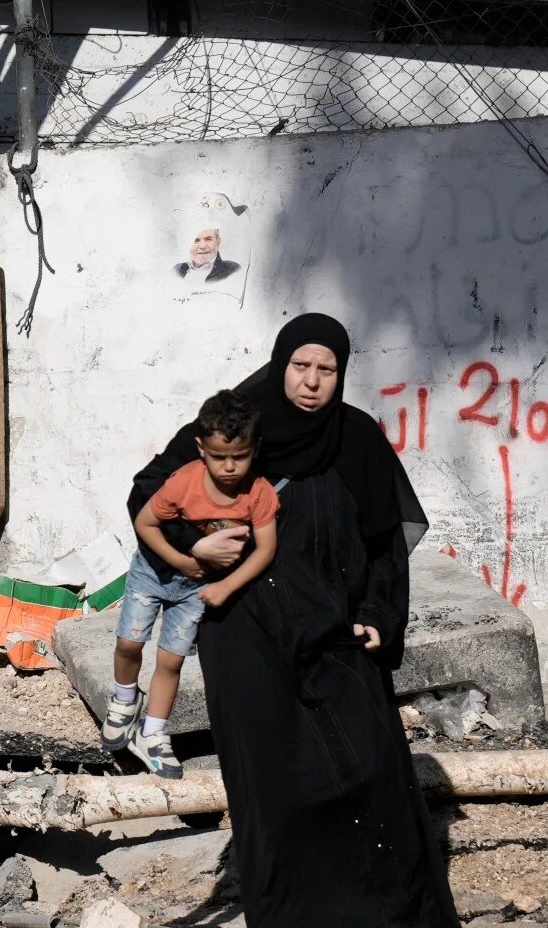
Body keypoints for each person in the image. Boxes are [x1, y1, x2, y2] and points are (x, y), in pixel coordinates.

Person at [129, 313, 456, 927]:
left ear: (341, 374)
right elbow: (147, 495)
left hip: (335, 632)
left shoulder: (356, 438)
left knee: (374, 767)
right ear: (282, 365)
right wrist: (190, 549)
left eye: (326, 370)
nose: (311, 382)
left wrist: (380, 614)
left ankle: (391, 914)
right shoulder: (232, 429)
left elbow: (385, 540)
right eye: (301, 366)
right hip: (244, 634)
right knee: (275, 785)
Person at [105, 389, 278, 779]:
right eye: (219, 457)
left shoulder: (260, 493)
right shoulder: (183, 482)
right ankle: (124, 698)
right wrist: (185, 559)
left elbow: (265, 551)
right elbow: (145, 523)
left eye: (241, 456)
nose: (230, 467)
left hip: (195, 592)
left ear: (256, 449)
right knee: (129, 642)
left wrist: (225, 586)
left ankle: (153, 733)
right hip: (153, 573)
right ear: (201, 448)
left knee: (171, 660)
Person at [173, 227, 241, 282]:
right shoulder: (176, 270)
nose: (202, 246)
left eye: (208, 239)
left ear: (218, 243)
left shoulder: (232, 270)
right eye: (196, 240)